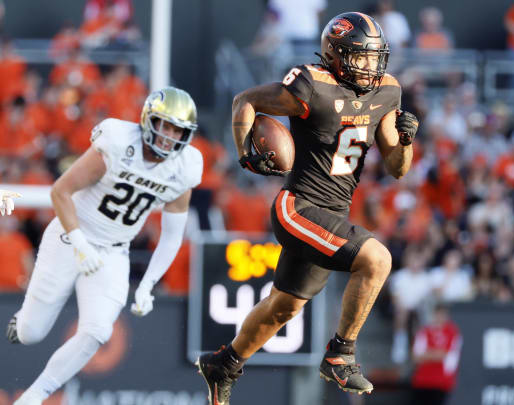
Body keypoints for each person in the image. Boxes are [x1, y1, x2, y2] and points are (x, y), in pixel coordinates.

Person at [195, 11, 419, 404]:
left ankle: (223, 363)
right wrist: (244, 150)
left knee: (284, 307)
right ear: (336, 54)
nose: (371, 66)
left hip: (333, 214)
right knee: (378, 260)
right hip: (298, 206)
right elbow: (245, 100)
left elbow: (398, 169)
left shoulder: (386, 91)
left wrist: (405, 141)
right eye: (361, 57)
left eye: (374, 57)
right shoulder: (313, 84)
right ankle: (341, 354)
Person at [7, 87, 203, 405]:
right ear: (147, 120)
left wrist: (148, 284)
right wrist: (81, 243)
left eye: (177, 129)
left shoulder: (184, 168)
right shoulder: (118, 142)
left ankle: (34, 396)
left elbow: (171, 236)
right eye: (164, 125)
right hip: (70, 236)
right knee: (31, 333)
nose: (168, 135)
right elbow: (60, 192)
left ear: (187, 134)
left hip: (113, 250)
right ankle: (23, 321)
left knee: (98, 331)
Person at [409, 303, 463, 405]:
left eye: (443, 315)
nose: (440, 317)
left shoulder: (452, 332)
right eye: (438, 314)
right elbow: (416, 357)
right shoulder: (424, 331)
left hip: (442, 382)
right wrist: (436, 354)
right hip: (422, 380)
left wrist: (427, 354)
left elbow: (445, 355)